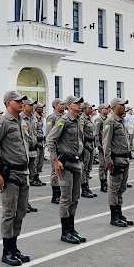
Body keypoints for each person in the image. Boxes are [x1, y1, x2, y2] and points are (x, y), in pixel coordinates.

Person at [0, 90, 32, 266]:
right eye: (17, 101)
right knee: (9, 213)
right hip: (11, 174)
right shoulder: (3, 122)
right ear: (8, 103)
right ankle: (6, 251)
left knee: (20, 212)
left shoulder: (21, 121)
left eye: (22, 101)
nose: (21, 103)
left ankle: (14, 247)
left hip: (23, 172)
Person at [46, 95, 86, 243]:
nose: (79, 105)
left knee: (75, 197)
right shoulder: (64, 120)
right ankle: (65, 232)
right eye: (76, 103)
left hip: (76, 162)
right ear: (69, 106)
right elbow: (50, 139)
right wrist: (55, 160)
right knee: (66, 198)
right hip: (66, 164)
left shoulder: (78, 119)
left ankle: (71, 228)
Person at [103, 98, 133, 227]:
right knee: (114, 188)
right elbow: (106, 143)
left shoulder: (122, 121)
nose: (124, 107)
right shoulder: (110, 121)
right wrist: (108, 161)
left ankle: (119, 213)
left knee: (121, 188)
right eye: (122, 105)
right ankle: (114, 216)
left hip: (125, 158)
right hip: (116, 159)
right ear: (115, 107)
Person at [47, 99, 65, 204]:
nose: (63, 106)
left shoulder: (64, 117)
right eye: (61, 104)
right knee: (55, 171)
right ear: (55, 106)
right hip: (56, 148)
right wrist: (52, 149)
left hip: (63, 148)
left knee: (62, 171)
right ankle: (55, 194)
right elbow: (49, 135)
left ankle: (61, 192)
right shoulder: (52, 118)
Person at [80, 103, 97, 198]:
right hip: (86, 145)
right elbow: (81, 134)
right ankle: (84, 187)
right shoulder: (82, 119)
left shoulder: (90, 119)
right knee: (84, 167)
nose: (91, 110)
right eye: (90, 108)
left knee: (89, 168)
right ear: (84, 109)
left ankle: (87, 186)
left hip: (91, 144)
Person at [95, 104, 110, 194]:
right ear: (100, 110)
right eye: (105, 108)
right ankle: (103, 183)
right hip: (102, 145)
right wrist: (98, 145)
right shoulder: (99, 120)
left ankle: (106, 181)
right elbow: (96, 133)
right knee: (102, 165)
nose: (107, 110)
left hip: (107, 145)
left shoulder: (108, 119)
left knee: (107, 164)